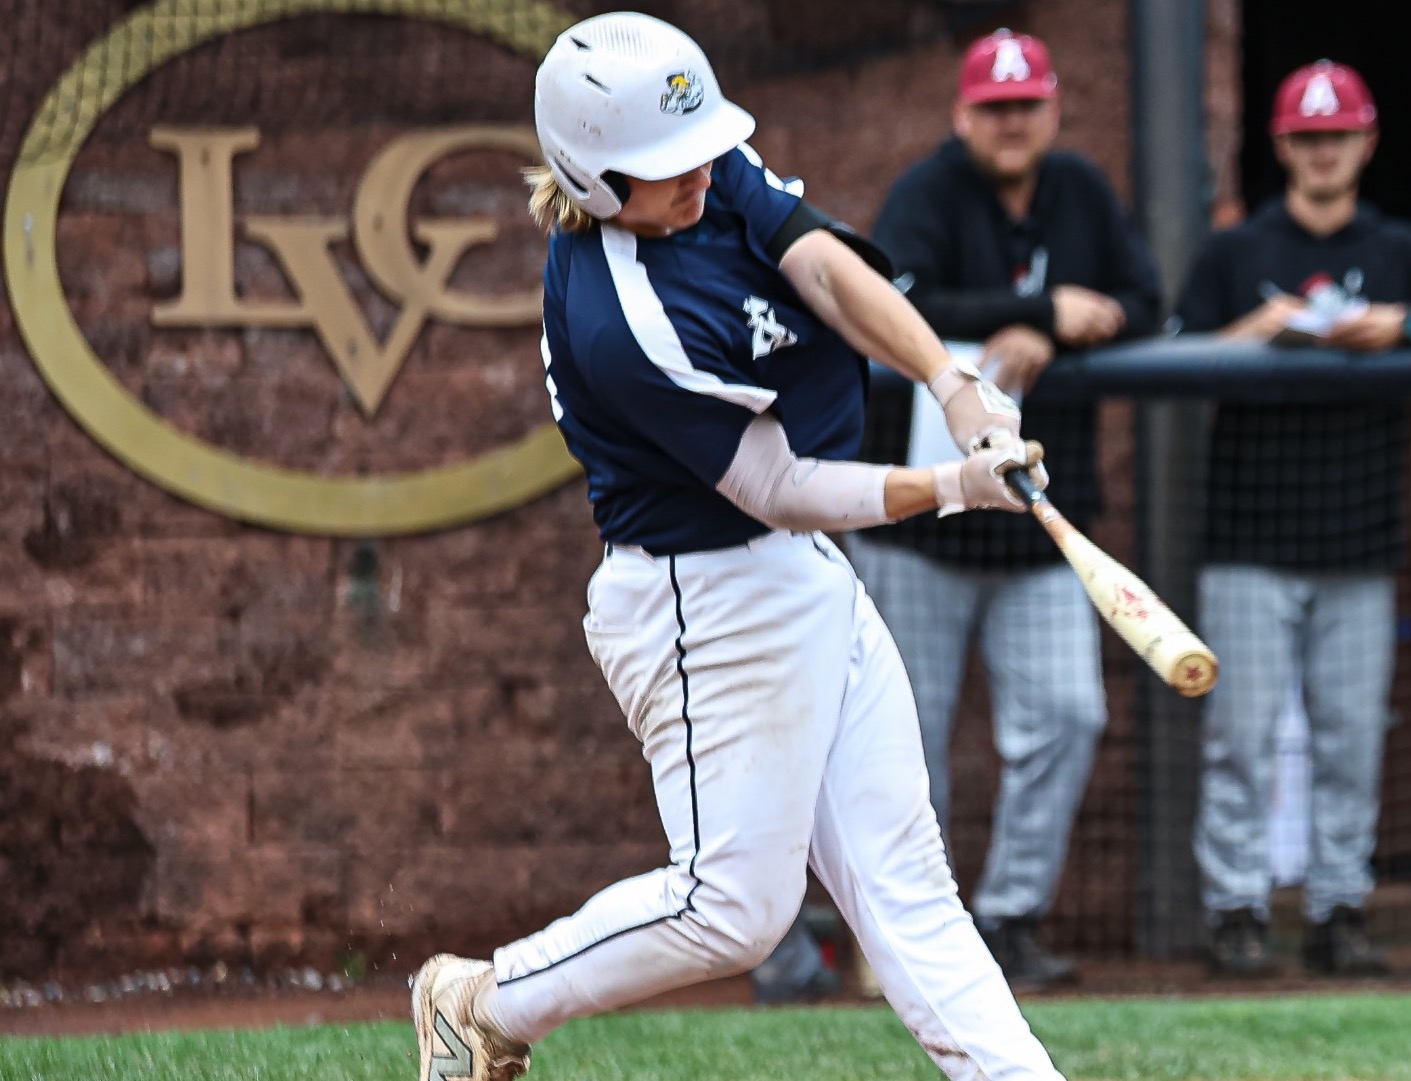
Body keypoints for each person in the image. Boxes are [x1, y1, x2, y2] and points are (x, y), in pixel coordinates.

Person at [408, 14, 1072, 1081]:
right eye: (667, 170)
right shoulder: (621, 321)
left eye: (702, 149)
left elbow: (820, 263)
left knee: (907, 882)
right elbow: (780, 486)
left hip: (795, 576)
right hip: (698, 601)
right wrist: (953, 486)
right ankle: (480, 999)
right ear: (592, 179)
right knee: (733, 912)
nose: (699, 177)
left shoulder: (705, 167)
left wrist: (949, 386)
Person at [1174, 60, 1411, 978]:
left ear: (1364, 144)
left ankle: (1338, 908)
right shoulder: (1235, 252)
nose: (1321, 151)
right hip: (1248, 536)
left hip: (1359, 538)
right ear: (1281, 146)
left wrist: (1401, 326)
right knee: (1240, 738)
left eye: (1337, 136)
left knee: (1351, 738)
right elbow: (1171, 358)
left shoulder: (1398, 248)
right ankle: (1237, 908)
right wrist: (1263, 330)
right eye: (1304, 136)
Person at [845, 28, 1162, 989]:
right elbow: (892, 299)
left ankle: (1009, 917)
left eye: (1026, 105)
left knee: (1069, 714)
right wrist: (1031, 314)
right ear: (962, 114)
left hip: (1037, 521)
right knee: (906, 744)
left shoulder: (1081, 192)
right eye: (994, 106)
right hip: (924, 517)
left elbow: (1148, 301)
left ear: (1053, 110)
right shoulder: (926, 192)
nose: (1011, 121)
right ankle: (903, 936)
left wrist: (1049, 328)